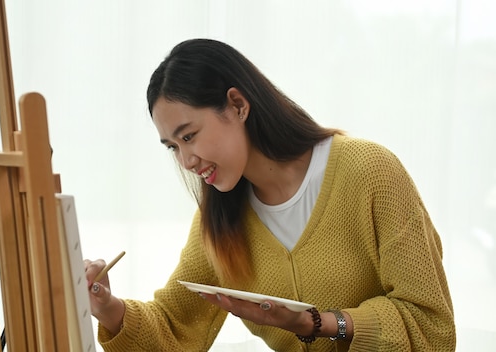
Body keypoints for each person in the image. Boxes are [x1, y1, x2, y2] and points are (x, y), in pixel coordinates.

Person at [83, 38, 456, 352]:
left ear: (238, 105)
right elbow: (173, 327)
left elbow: (432, 326)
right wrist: (108, 308)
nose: (186, 161)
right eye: (172, 147)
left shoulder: (369, 172)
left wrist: (320, 324)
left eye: (189, 136)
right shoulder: (218, 220)